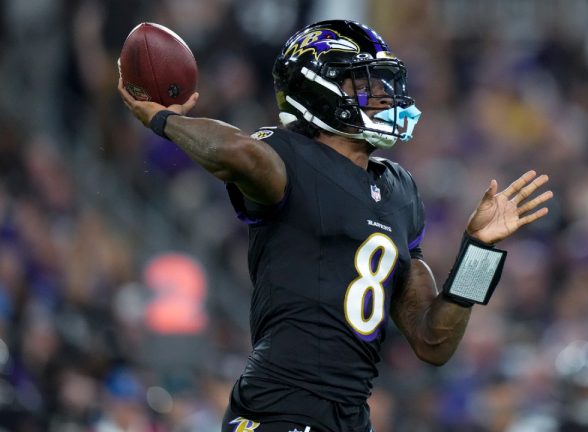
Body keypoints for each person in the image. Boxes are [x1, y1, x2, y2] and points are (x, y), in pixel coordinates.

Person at [118, 19, 553, 432]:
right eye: (363, 82)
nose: (383, 95)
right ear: (318, 92)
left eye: (383, 82)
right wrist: (163, 120)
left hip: (349, 416)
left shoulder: (400, 190)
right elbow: (238, 153)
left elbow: (432, 341)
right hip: (278, 407)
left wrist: (478, 253)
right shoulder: (286, 157)